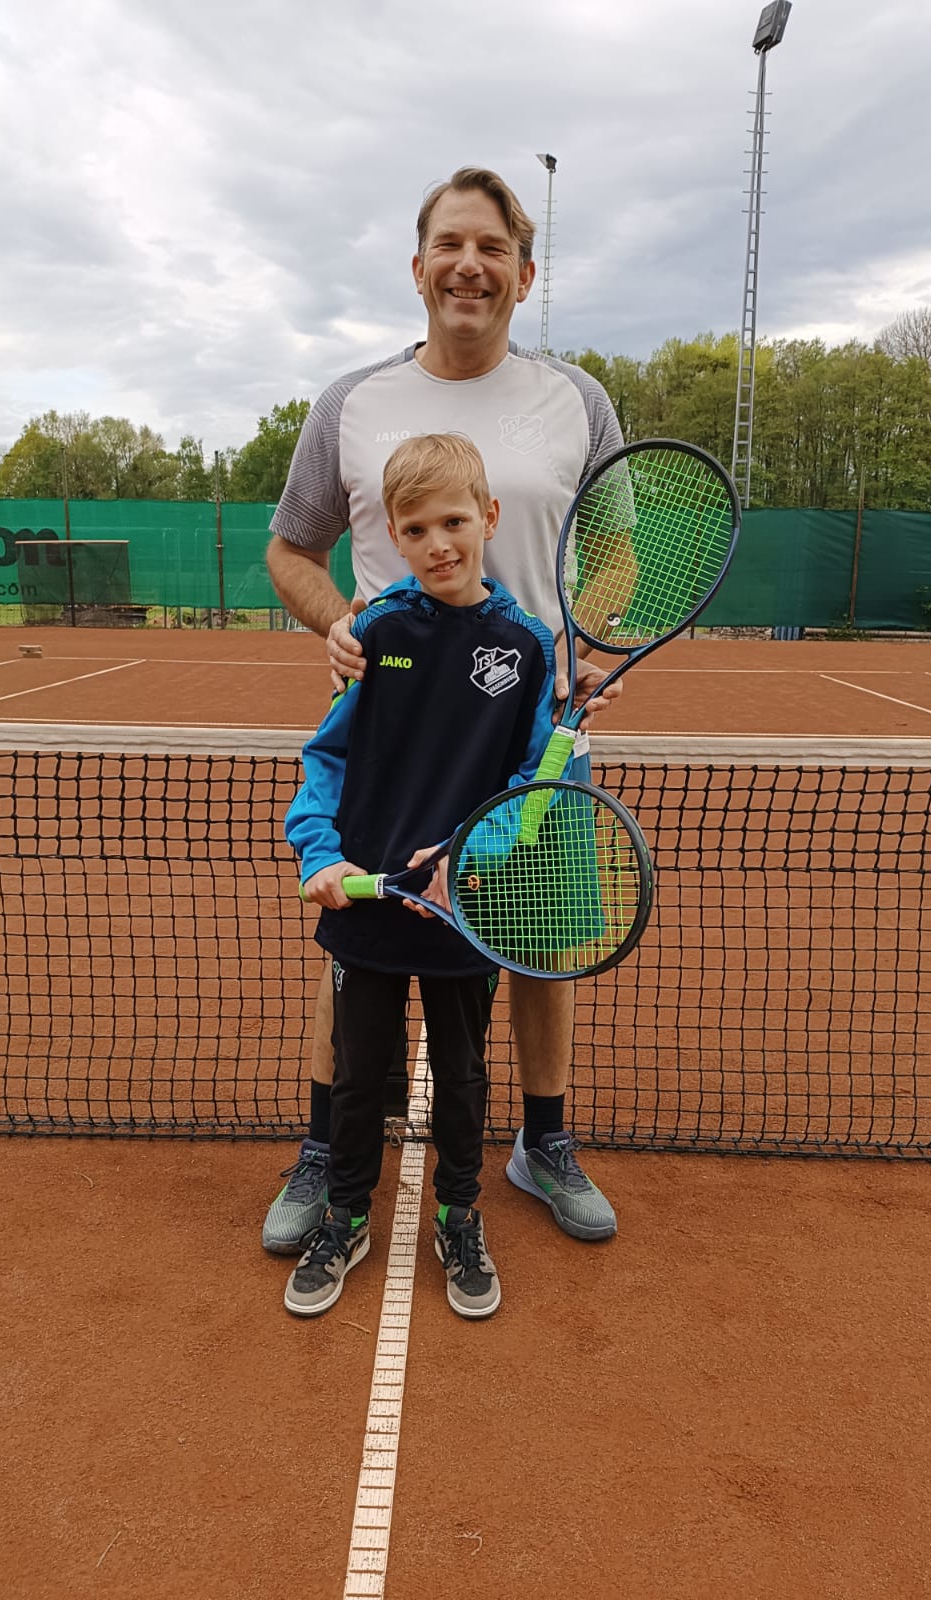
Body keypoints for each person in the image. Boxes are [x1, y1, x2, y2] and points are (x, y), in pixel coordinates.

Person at [264, 165, 625, 1255]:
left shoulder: (579, 400)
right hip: (398, 730)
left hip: (532, 729)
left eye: (494, 247)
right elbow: (291, 549)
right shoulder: (353, 404)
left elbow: (614, 554)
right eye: (452, 244)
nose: (472, 264)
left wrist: (582, 637)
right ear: (419, 266)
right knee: (359, 950)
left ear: (524, 271)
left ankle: (542, 1143)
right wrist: (334, 621)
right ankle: (330, 1144)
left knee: (538, 943)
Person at [282, 433, 561, 1318]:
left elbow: (532, 785)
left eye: (453, 520)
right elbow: (326, 757)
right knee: (362, 1073)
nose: (438, 542)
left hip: (463, 911)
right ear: (394, 538)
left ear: (489, 518)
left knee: (465, 1072)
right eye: (416, 527)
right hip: (366, 905)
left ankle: (459, 1211)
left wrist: (464, 862)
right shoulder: (374, 631)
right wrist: (320, 853)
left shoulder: (525, 646)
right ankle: (345, 1214)